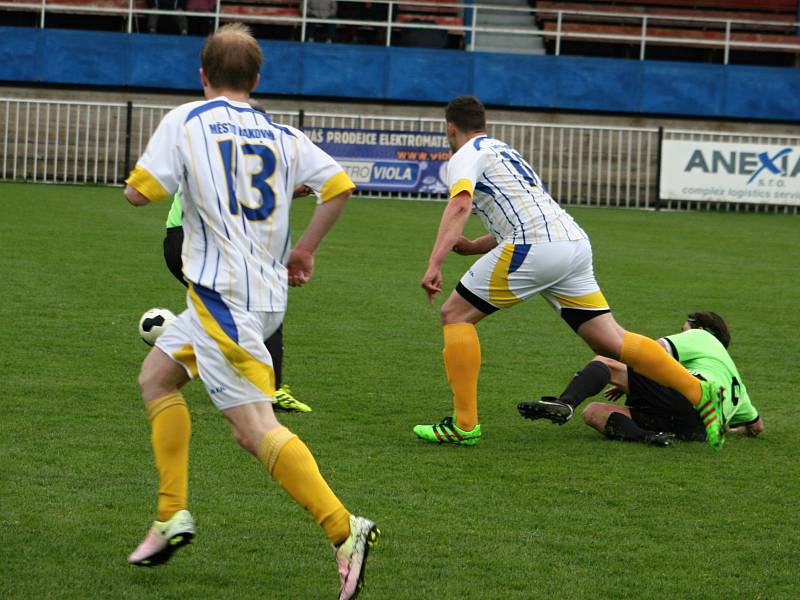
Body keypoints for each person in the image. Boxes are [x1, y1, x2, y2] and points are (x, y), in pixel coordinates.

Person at [123, 24, 379, 600]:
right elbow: (338, 186)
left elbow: (139, 193)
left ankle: (345, 530)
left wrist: (158, 183)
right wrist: (305, 248)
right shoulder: (282, 133)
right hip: (258, 298)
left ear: (202, 75)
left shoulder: (188, 119)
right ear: (257, 79)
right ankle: (170, 516)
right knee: (157, 376)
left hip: (222, 301)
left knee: (254, 429)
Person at [413, 95, 725, 450]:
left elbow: (461, 203)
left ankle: (464, 425)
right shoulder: (502, 150)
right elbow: (526, 212)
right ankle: (699, 392)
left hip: (535, 246)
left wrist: (435, 262)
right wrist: (471, 247)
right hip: (571, 243)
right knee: (610, 340)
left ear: (450, 128)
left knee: (455, 315)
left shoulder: (464, 156)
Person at [163, 103, 312, 414]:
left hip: (189, 242)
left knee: (236, 310)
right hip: (195, 243)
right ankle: (267, 388)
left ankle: (185, 348)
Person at [519, 311, 764, 446]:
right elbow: (756, 427)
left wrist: (619, 374)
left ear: (701, 329)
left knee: (606, 361)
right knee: (594, 412)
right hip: (698, 430)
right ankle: (649, 437)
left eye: (683, 330)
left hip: (688, 396)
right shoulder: (737, 384)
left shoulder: (702, 337)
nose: (681, 334)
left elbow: (650, 353)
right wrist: (730, 430)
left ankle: (565, 403)